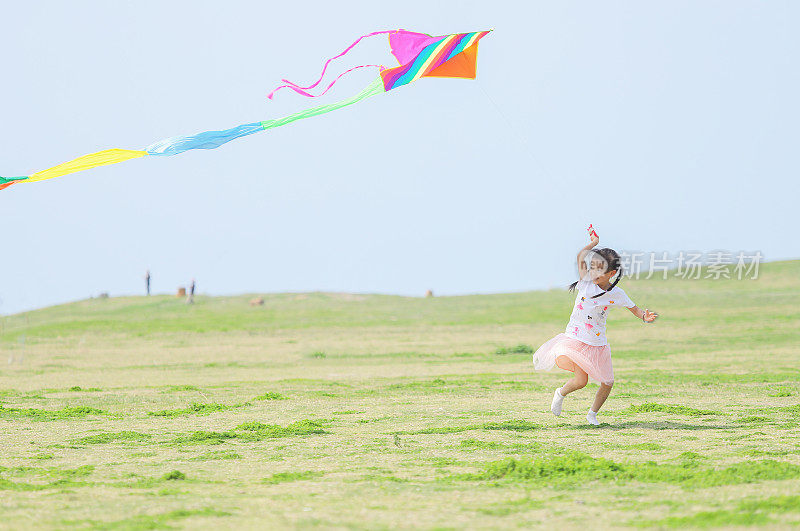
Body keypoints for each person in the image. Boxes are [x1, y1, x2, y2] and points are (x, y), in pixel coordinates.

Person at [532, 230, 658, 425]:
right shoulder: (585, 283)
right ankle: (560, 393)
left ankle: (592, 414)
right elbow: (580, 256)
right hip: (575, 339)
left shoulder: (617, 294)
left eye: (600, 270)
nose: (594, 273)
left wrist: (644, 316)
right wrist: (593, 243)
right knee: (581, 382)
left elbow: (634, 309)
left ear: (612, 273)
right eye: (592, 268)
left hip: (597, 342)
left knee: (607, 382)